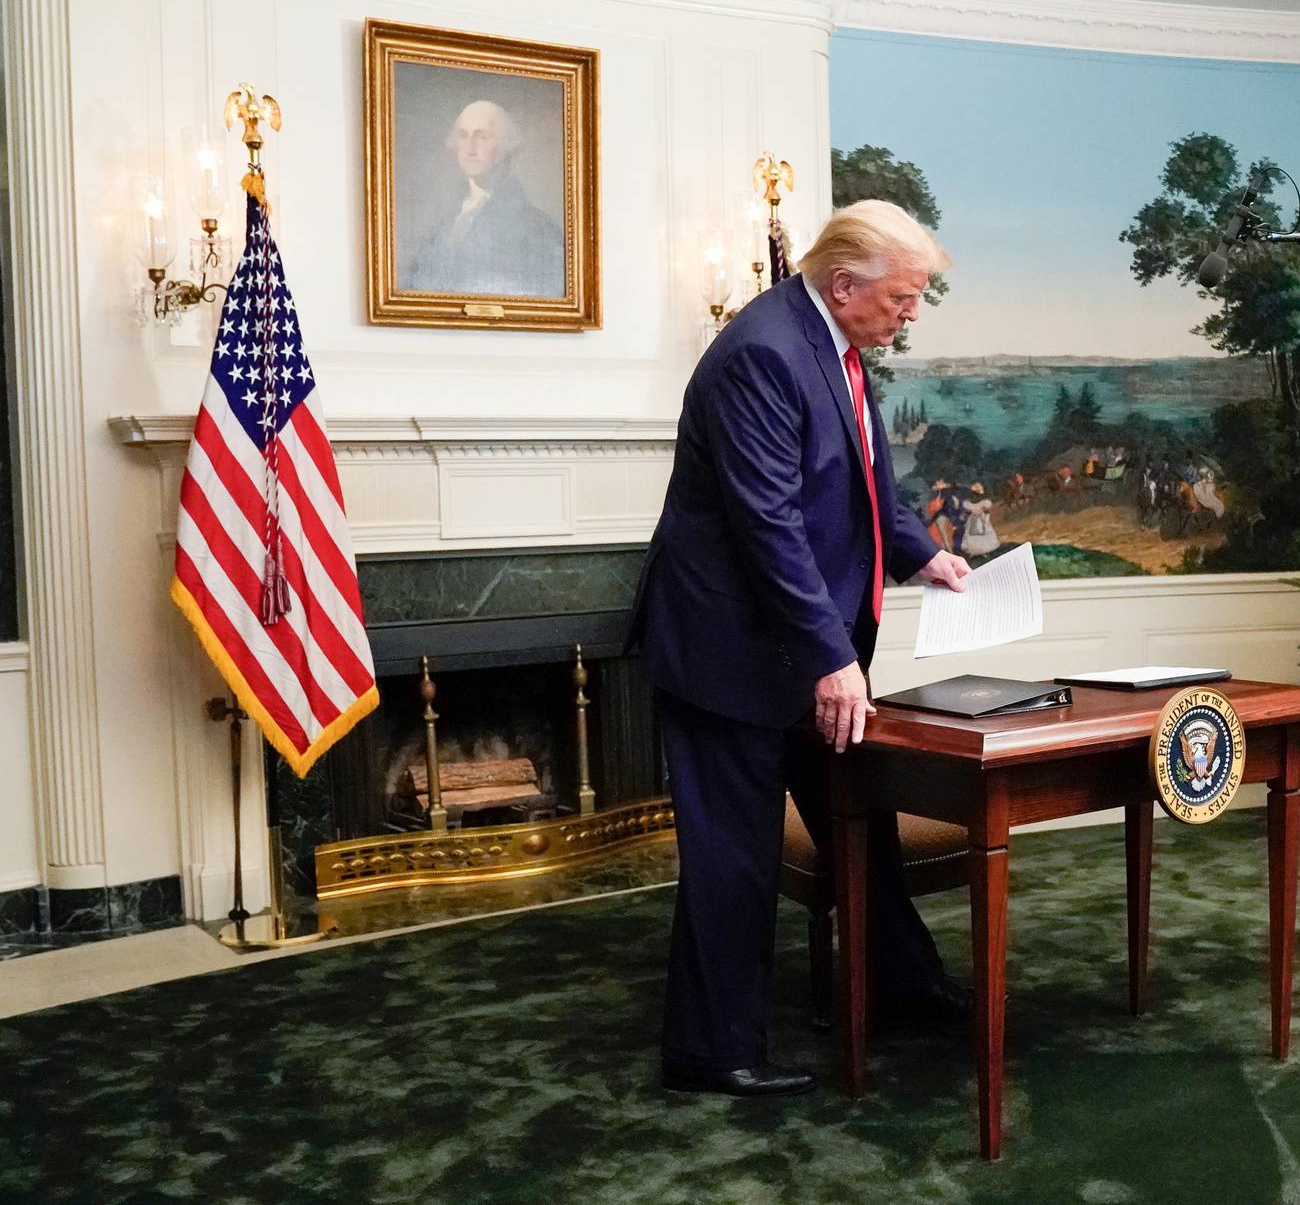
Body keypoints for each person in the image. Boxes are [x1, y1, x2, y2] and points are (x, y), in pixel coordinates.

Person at [628, 200, 972, 1099]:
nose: (912, 312)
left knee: (863, 820)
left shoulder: (840, 351)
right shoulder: (762, 353)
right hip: (729, 659)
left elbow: (860, 484)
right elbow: (768, 525)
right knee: (732, 856)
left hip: (801, 654)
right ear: (845, 282)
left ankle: (901, 988)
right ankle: (711, 1050)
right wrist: (831, 656)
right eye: (903, 295)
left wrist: (923, 552)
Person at [402, 99, 564, 297]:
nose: (470, 148)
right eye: (463, 136)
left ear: (506, 146)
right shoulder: (440, 217)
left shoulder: (538, 228)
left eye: (482, 137)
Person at [960, 482, 999, 557]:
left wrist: (986, 517)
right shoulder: (971, 503)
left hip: (980, 518)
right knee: (974, 535)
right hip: (975, 519)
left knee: (982, 534)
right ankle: (978, 551)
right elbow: (967, 511)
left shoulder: (981, 502)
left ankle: (983, 551)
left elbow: (987, 510)